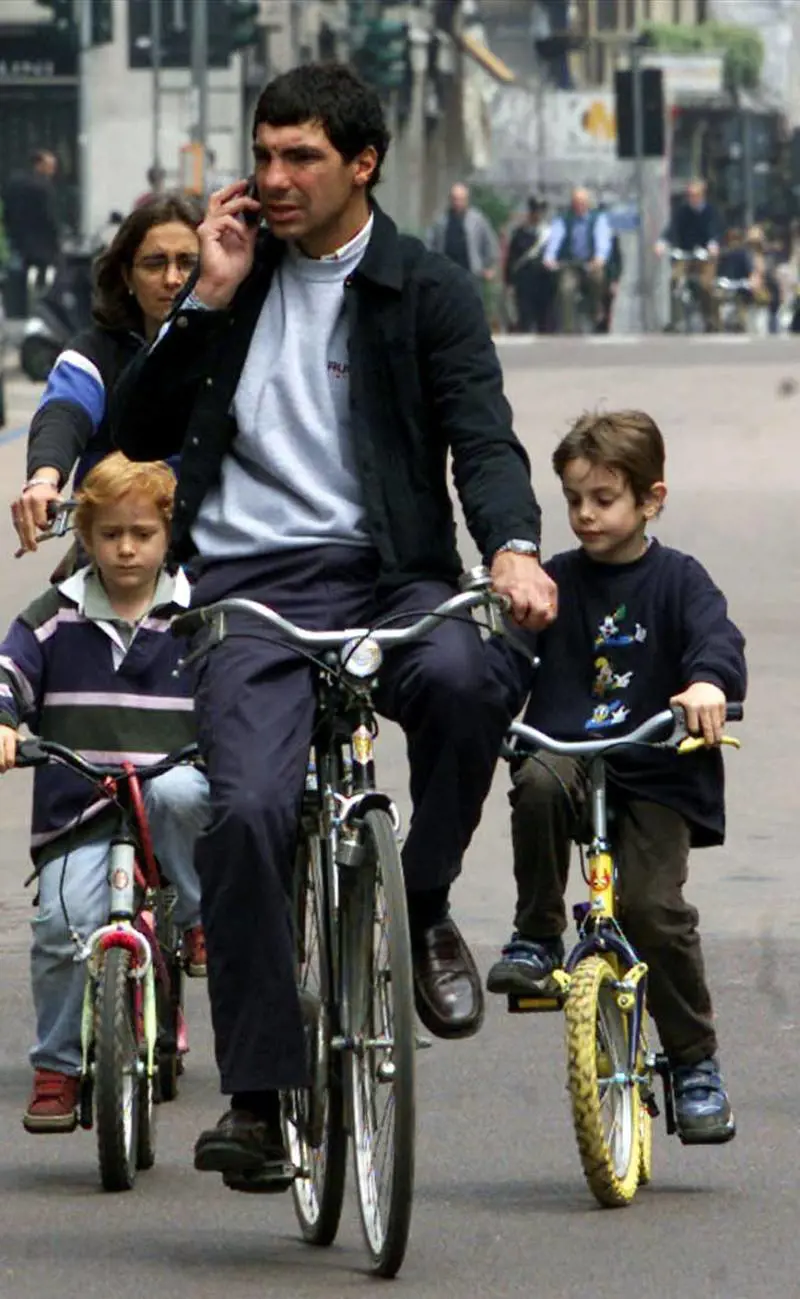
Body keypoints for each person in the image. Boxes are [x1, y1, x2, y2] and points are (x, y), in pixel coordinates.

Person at [113, 61, 557, 1187]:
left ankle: (418, 903)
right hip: (250, 589)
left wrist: (507, 546)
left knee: (468, 674)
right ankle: (260, 1102)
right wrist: (204, 301)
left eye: (299, 156)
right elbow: (138, 427)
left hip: (391, 573)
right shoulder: (233, 279)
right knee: (250, 809)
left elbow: (483, 436)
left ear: (361, 163)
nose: (272, 179)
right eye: (261, 155)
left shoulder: (427, 288)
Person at [486, 409, 746, 1145]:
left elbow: (717, 640)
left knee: (652, 911)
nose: (585, 514)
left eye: (603, 498)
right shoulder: (554, 583)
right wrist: (484, 695)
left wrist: (706, 686)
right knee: (535, 778)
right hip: (567, 749)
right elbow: (505, 658)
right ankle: (535, 935)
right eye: (572, 499)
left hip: (658, 767)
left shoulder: (678, 580)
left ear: (650, 499)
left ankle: (695, 1063)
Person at [0, 453, 209, 1134]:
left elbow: (236, 690)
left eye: (142, 534)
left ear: (167, 536)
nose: (126, 547)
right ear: (85, 539)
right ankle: (58, 1065)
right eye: (110, 533)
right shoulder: (56, 615)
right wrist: (4, 719)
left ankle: (195, 914)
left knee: (181, 791)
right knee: (61, 928)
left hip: (169, 795)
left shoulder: (196, 615)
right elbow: (10, 671)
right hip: (79, 811)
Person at [10, 194, 202, 572]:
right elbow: (65, 410)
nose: (172, 279)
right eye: (155, 263)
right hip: (112, 557)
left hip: (210, 556)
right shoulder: (94, 351)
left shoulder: (233, 347)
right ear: (127, 276)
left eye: (187, 263)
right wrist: (43, 480)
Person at [542, 187, 612, 332]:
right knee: (566, 289)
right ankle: (569, 327)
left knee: (597, 278)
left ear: (588, 203)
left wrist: (599, 258)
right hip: (570, 264)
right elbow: (555, 239)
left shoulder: (598, 218)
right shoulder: (563, 219)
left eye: (582, 202)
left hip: (590, 263)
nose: (579, 206)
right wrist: (549, 258)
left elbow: (602, 242)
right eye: (576, 203)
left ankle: (595, 308)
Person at [656, 179, 721, 331]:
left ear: (702, 195)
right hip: (686, 254)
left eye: (695, 195)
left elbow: (716, 230)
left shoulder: (711, 212)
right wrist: (662, 242)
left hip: (705, 256)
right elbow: (672, 228)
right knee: (674, 281)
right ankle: (675, 321)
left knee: (706, 285)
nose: (692, 198)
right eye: (690, 195)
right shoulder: (683, 211)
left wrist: (713, 244)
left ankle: (710, 319)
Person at [3, 149, 62, 308]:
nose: (53, 170)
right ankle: (39, 306)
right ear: (39, 165)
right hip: (41, 243)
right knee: (44, 279)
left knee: (17, 276)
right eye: (50, 166)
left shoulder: (14, 183)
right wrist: (56, 240)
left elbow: (7, 212)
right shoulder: (44, 187)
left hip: (17, 240)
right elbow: (49, 217)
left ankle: (17, 307)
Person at [427, 182, 500, 304]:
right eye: (455, 199)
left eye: (461, 199)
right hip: (446, 274)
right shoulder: (441, 221)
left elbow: (490, 244)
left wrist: (489, 267)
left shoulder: (477, 220)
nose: (458, 203)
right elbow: (430, 244)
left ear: (467, 200)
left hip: (471, 273)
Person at [504, 197, 554, 334]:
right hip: (525, 280)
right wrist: (509, 282)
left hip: (545, 281)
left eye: (540, 212)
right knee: (524, 319)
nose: (537, 215)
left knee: (545, 320)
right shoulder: (520, 233)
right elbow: (512, 258)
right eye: (534, 212)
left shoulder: (550, 234)